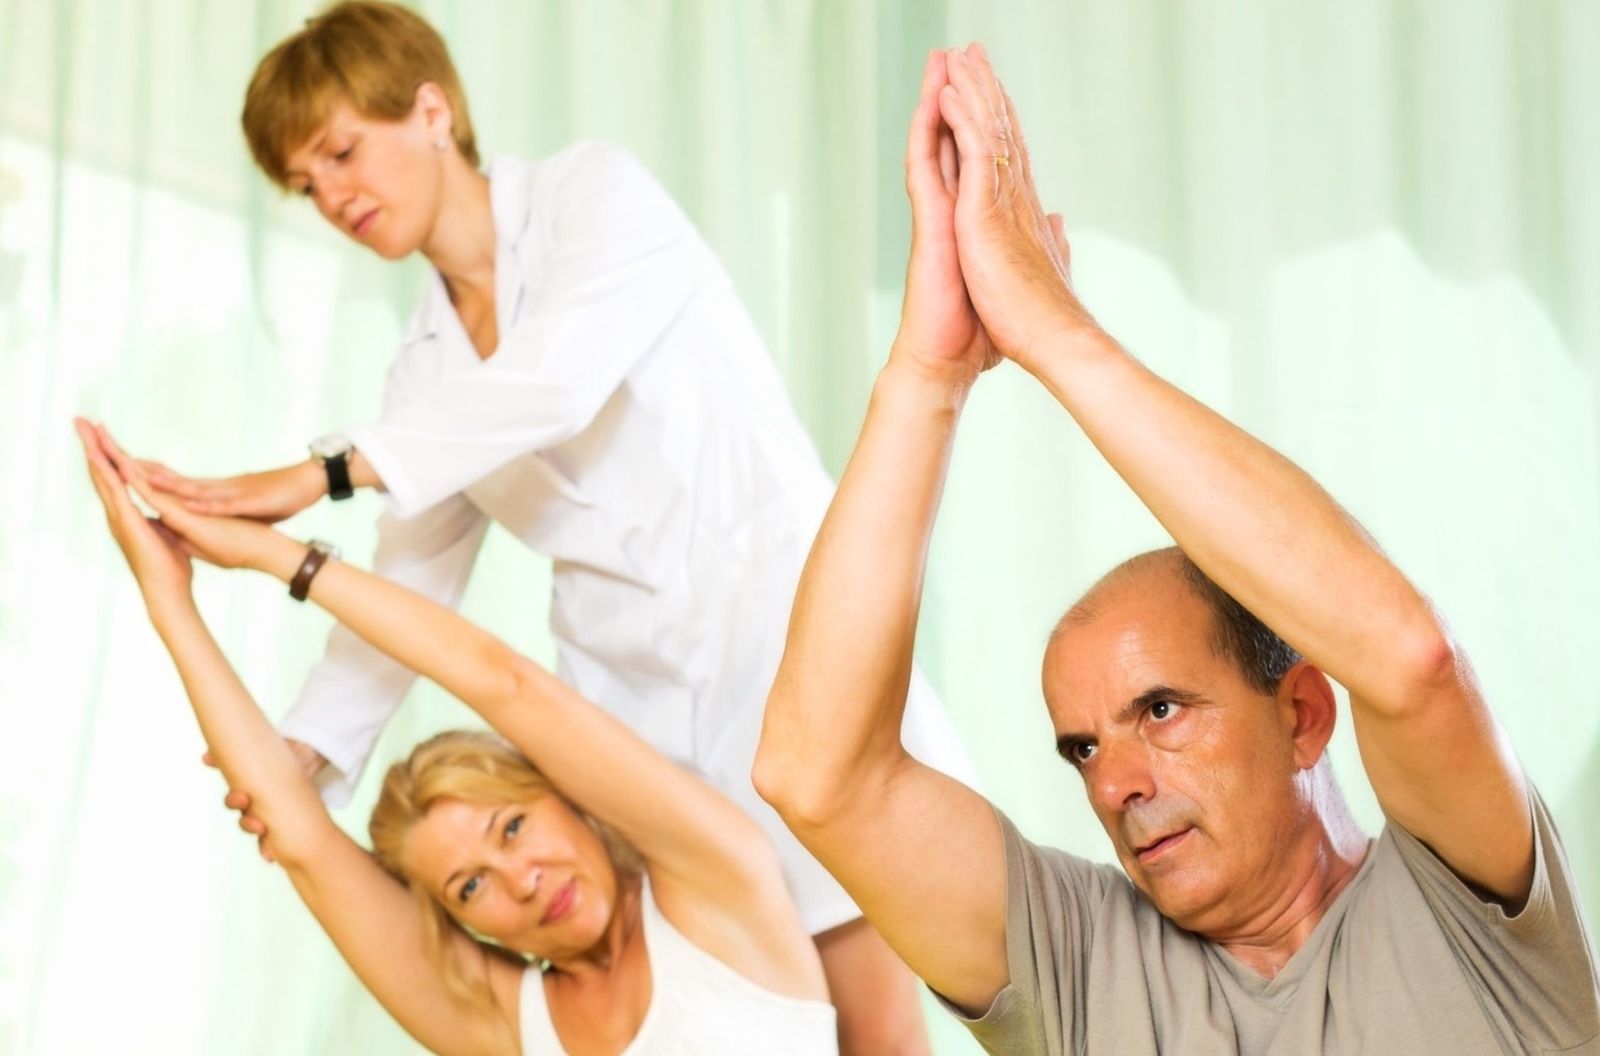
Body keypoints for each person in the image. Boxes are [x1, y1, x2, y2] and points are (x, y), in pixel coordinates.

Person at [140, 5, 969, 1048]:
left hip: (788, 651)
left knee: (872, 1030)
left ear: (432, 110)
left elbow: (558, 382)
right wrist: (302, 757)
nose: (333, 194)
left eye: (342, 151)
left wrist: (319, 475)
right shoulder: (424, 375)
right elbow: (411, 580)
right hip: (631, 728)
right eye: (307, 184)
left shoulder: (593, 195)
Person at [753, 43, 1600, 1055]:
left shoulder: (1468, 917)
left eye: (1158, 711)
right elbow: (817, 775)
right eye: (1082, 749)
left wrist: (1055, 332)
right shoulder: (1078, 964)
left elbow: (1409, 658)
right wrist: (929, 370)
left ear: (1301, 713)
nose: (1114, 786)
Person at [78, 418, 837, 1055]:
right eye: (469, 887)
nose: (522, 881)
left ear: (566, 796)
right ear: (458, 922)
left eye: (512, 827)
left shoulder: (717, 882)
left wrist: (274, 554)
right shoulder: (509, 1024)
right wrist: (168, 597)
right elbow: (302, 844)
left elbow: (502, 681)